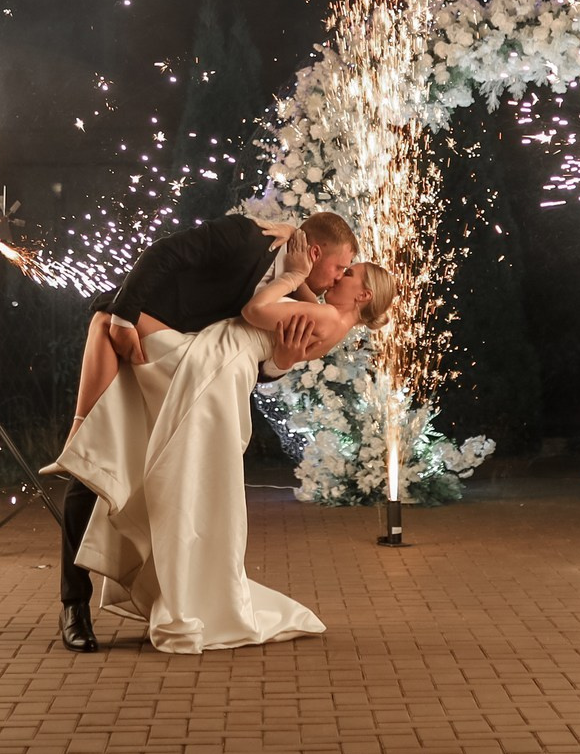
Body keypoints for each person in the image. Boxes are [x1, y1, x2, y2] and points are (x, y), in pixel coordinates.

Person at [44, 228, 396, 654]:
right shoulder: (246, 240)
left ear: (361, 296)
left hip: (207, 367)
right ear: (316, 251)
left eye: (347, 273)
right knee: (101, 446)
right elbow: (163, 254)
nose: (338, 277)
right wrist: (294, 249)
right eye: (341, 267)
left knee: (105, 324)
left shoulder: (321, 311)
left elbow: (261, 331)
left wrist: (283, 350)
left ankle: (81, 430)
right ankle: (74, 603)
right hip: (194, 349)